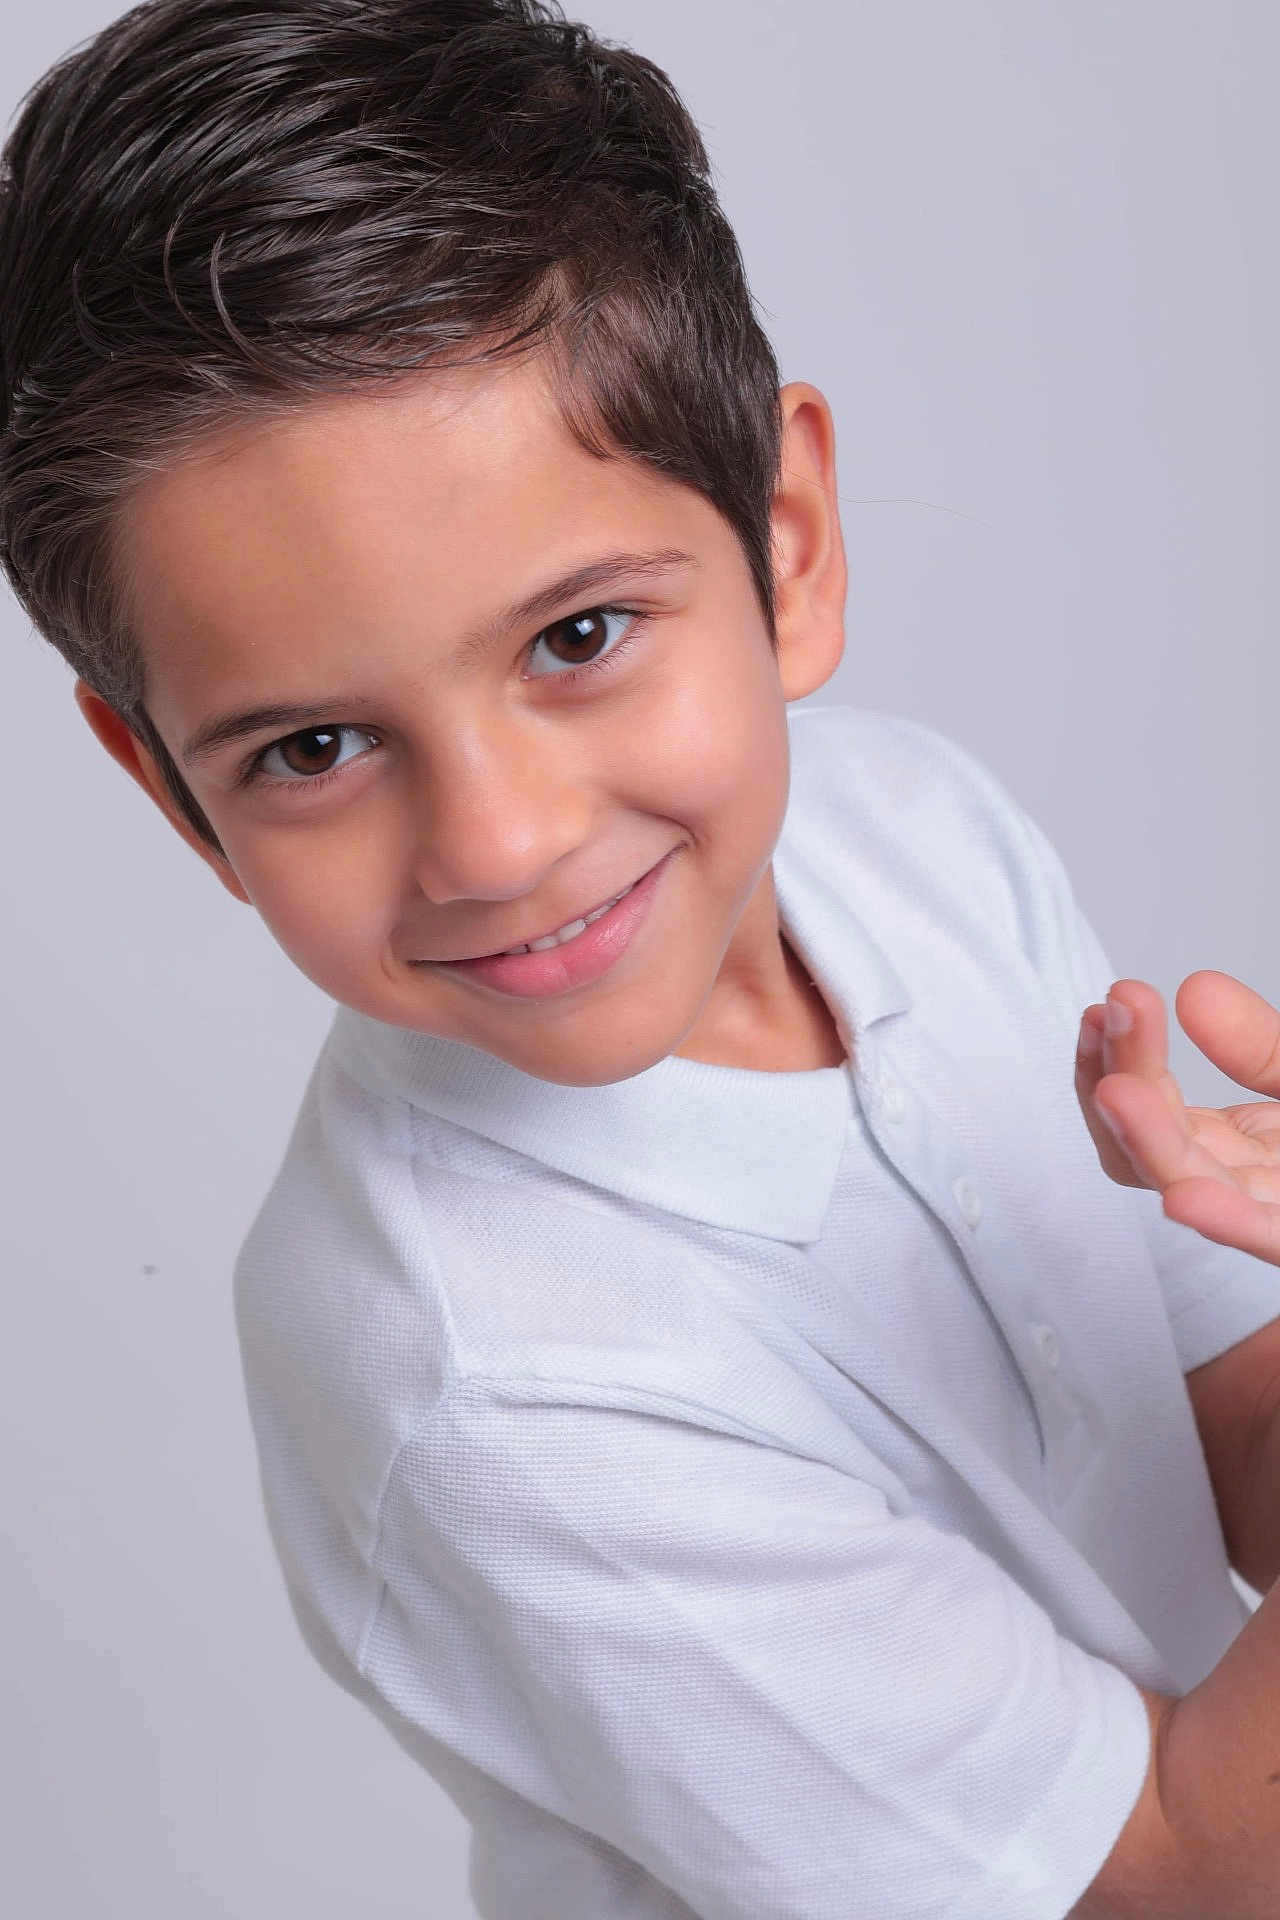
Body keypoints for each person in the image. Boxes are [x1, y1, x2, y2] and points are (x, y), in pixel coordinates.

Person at [2, 2, 1276, 1913]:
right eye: (315, 747)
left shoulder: (908, 827)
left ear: (788, 540)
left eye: (578, 637)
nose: (500, 844)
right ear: (173, 790)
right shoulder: (481, 1385)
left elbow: (1228, 1422)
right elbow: (1176, 1874)